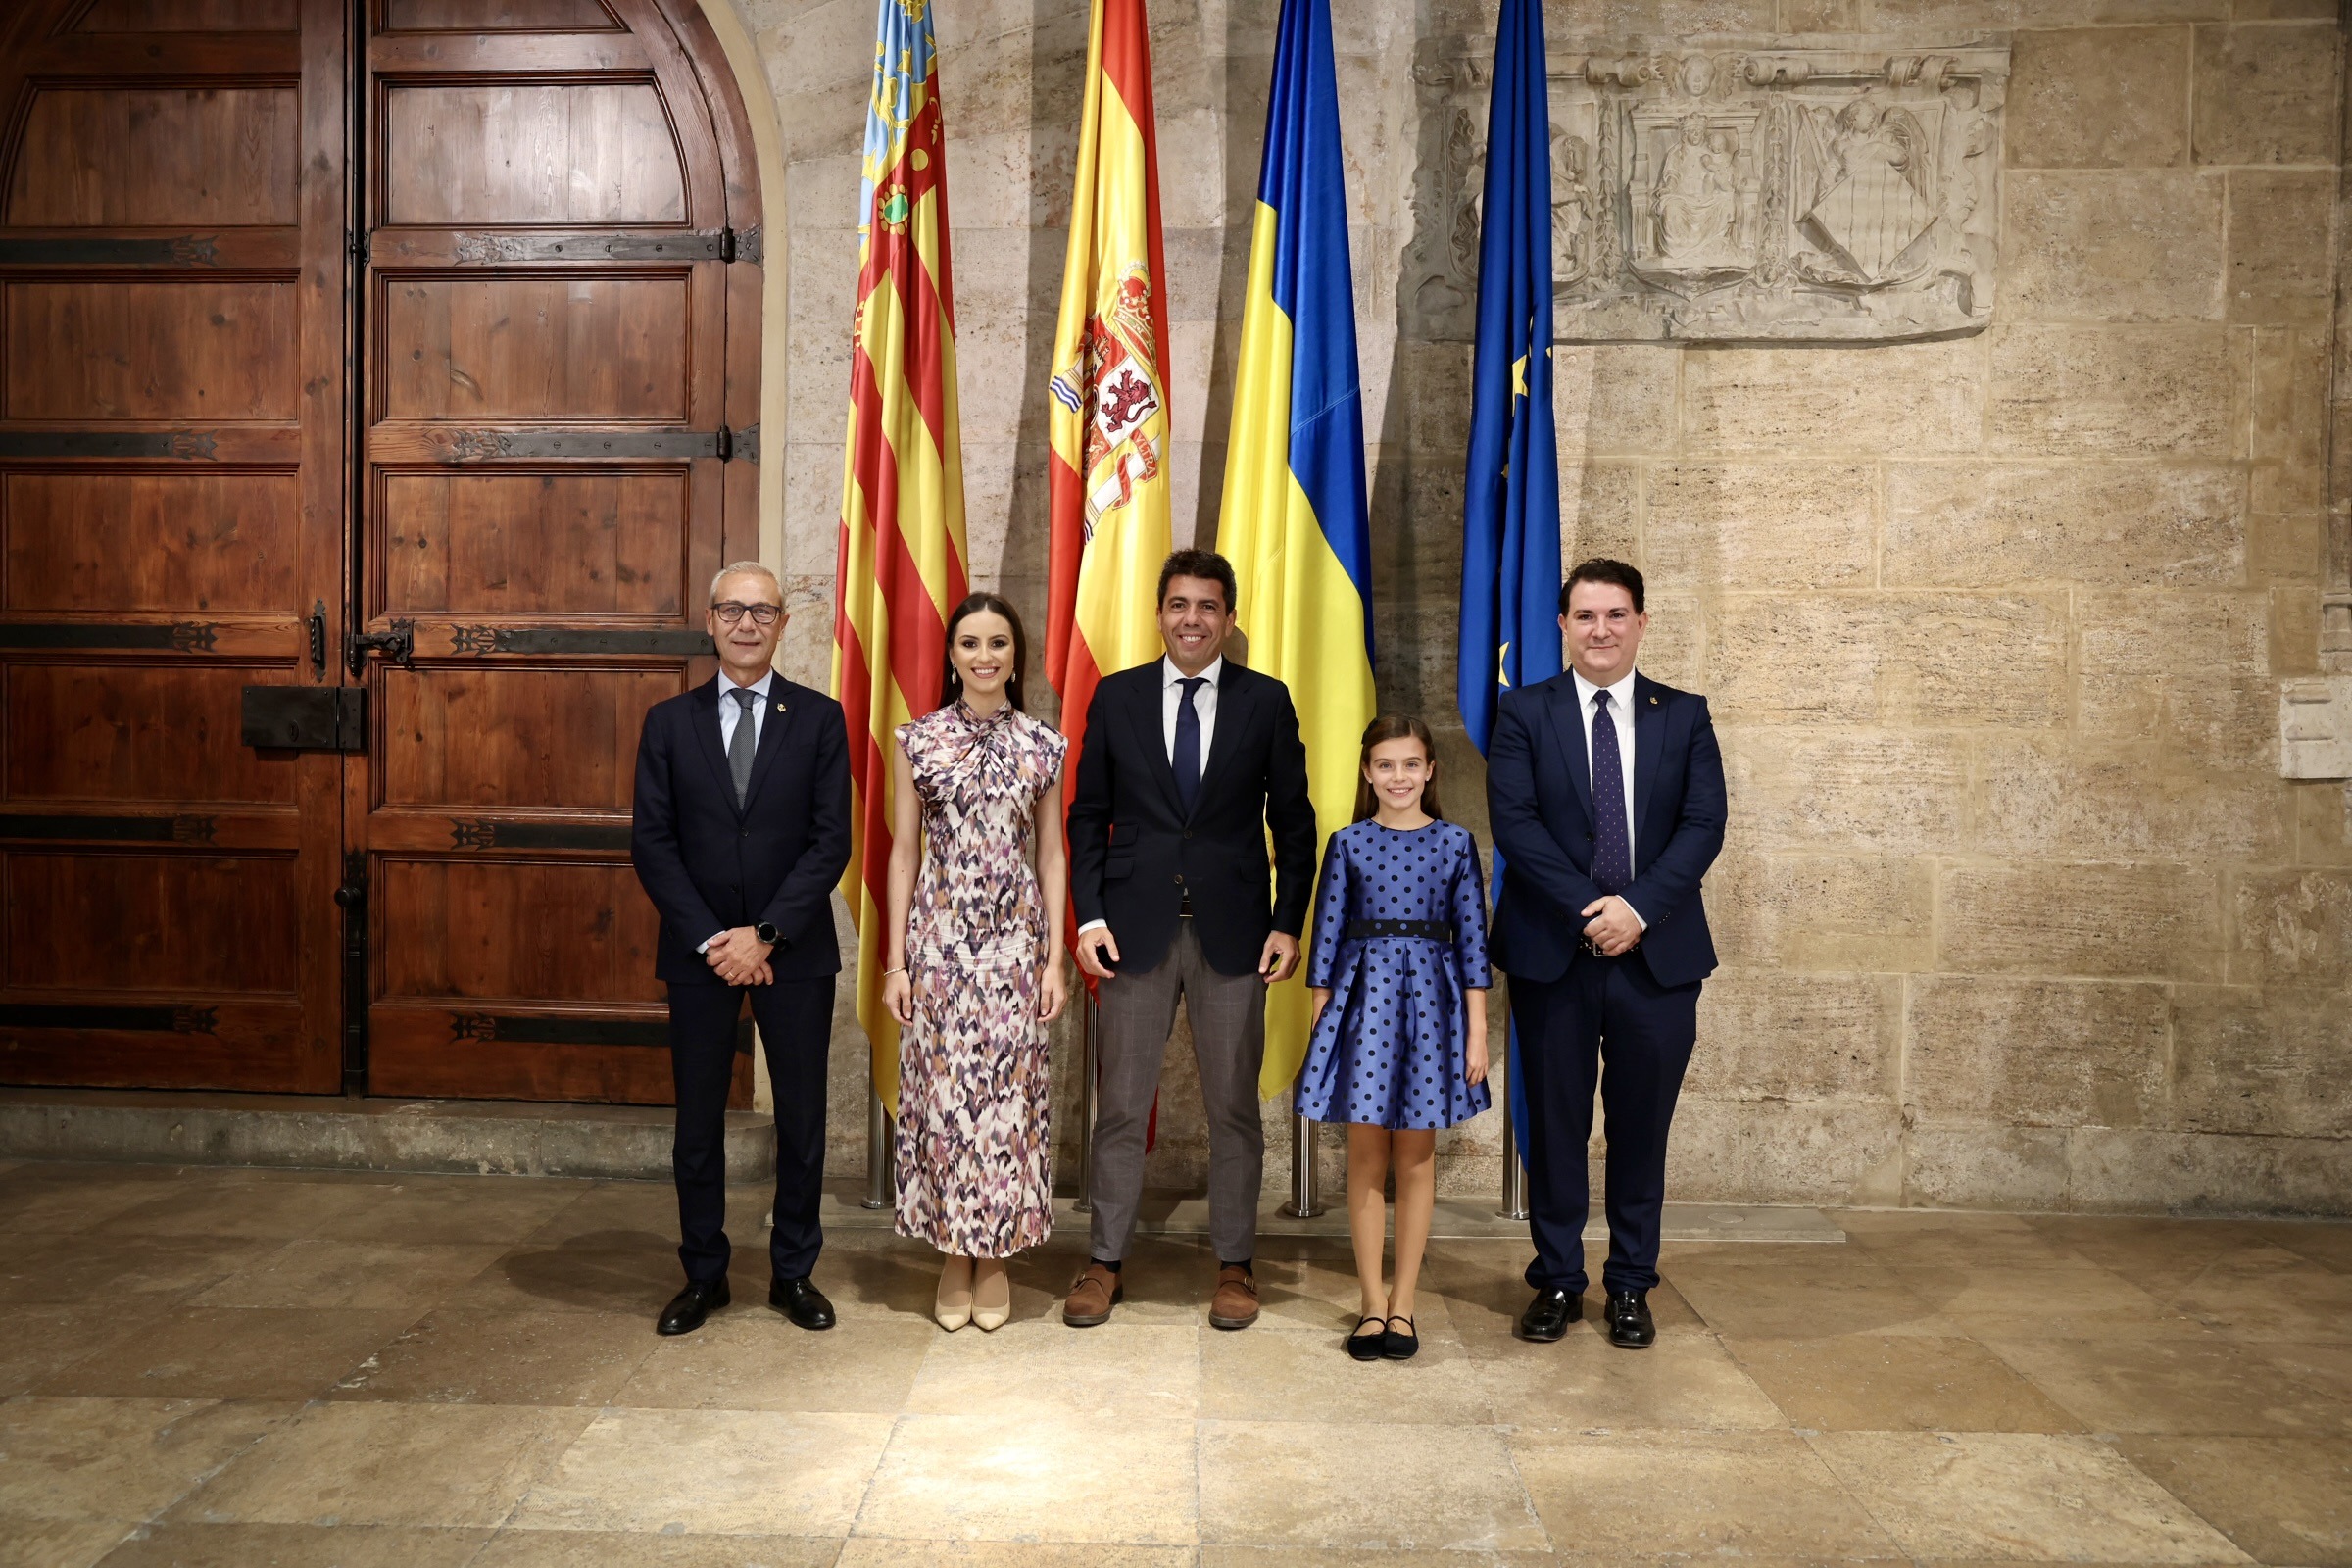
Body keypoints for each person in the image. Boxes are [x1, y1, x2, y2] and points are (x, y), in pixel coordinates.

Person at [1063, 548, 1317, 1330]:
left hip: (1235, 937)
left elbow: (1295, 823)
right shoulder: (1118, 696)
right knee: (1120, 1107)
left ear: (1229, 618)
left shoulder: (1265, 702)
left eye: (1208, 606)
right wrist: (1091, 916)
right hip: (1132, 935)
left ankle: (1236, 1265)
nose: (1193, 619)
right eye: (1179, 604)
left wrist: (1287, 922)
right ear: (1160, 612)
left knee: (1233, 1108)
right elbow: (1086, 816)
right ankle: (1105, 1261)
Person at [1486, 558, 1725, 1350]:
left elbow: (1703, 825)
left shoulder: (1683, 715)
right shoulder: (1523, 712)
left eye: (1616, 616)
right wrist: (1593, 912)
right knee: (1555, 1126)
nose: (1600, 630)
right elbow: (1515, 824)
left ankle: (1630, 1284)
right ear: (1562, 626)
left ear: (1642, 624)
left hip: (1657, 959)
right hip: (1555, 951)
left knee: (1639, 1128)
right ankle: (1555, 1278)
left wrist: (1637, 910)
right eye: (1585, 616)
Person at [629, 562, 851, 1337]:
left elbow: (831, 844)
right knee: (698, 1121)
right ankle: (704, 1274)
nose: (747, 623)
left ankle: (794, 1273)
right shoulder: (669, 722)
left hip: (795, 952)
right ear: (712, 620)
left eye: (763, 611)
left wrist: (765, 935)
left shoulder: (821, 721)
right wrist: (713, 939)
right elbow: (653, 845)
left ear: (785, 624)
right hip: (700, 953)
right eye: (733, 610)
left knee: (801, 1118)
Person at [881, 594, 1069, 1332]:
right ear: (952, 655)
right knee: (945, 1106)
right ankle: (953, 1254)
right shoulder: (917, 741)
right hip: (937, 950)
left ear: (1016, 656)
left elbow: (1051, 854)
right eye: (969, 643)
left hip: (1015, 952)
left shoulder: (1043, 745)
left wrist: (1054, 958)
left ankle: (994, 1257)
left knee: (1005, 1107)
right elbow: (903, 852)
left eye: (997, 643)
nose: (984, 656)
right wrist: (895, 963)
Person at [1297, 714, 1490, 1362]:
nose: (1399, 777)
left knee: (1416, 1156)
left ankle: (1404, 1304)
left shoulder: (1456, 844)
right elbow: (1325, 942)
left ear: (1430, 769)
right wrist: (1324, 1027)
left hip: (1434, 1010)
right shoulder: (1347, 843)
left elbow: (1472, 944)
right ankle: (1371, 1303)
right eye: (1386, 765)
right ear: (1366, 772)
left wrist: (1477, 1032)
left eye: (1411, 764)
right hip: (1364, 1006)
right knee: (1366, 1158)